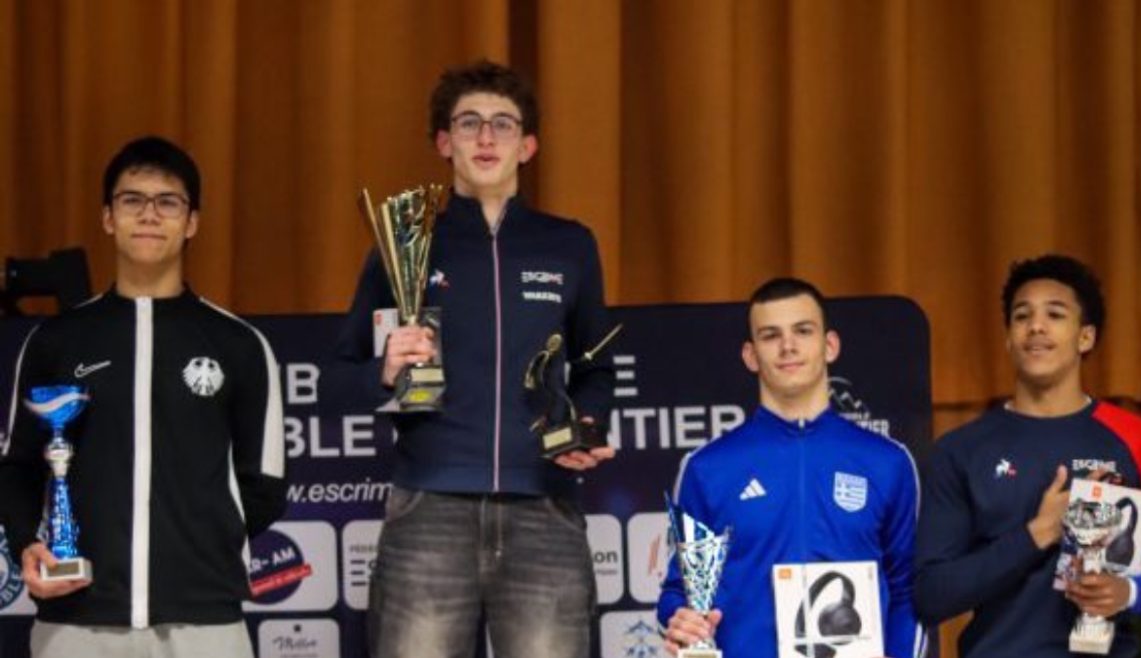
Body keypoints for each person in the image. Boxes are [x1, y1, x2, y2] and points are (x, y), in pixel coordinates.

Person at [330, 60, 615, 658]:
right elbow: (338, 376)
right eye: (469, 123)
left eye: (503, 124)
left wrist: (585, 425)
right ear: (444, 142)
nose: (486, 137)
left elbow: (596, 368)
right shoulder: (404, 242)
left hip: (543, 505)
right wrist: (385, 370)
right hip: (428, 508)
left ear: (527, 146)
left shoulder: (569, 245)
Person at [0, 136, 287, 657]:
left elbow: (264, 484)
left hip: (204, 624)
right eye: (132, 200)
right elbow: (18, 467)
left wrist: (192, 552)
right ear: (108, 217)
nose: (149, 214)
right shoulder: (56, 341)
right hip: (76, 618)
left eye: (167, 202)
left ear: (191, 222)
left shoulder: (239, 345)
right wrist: (28, 543)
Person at [915, 254, 1141, 657]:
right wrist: (1038, 534)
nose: (1036, 326)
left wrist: (1129, 592)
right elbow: (932, 595)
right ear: (1008, 339)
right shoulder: (960, 450)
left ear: (1085, 337)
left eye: (1055, 314)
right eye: (1022, 316)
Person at [657, 277, 925, 658]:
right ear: (750, 355)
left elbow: (909, 589)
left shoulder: (887, 462)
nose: (788, 346)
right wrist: (679, 620)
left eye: (803, 331)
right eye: (770, 336)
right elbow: (682, 593)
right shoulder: (708, 469)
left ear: (829, 345)